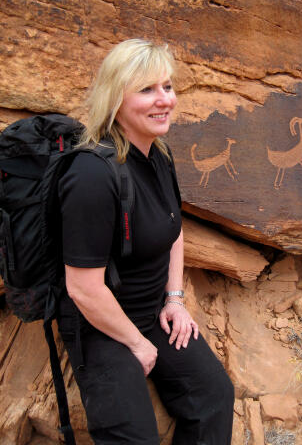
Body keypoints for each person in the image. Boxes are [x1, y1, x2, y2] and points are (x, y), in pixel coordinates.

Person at [57, 38, 234, 445]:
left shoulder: (160, 155)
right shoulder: (91, 175)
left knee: (214, 396)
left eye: (167, 87)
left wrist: (174, 300)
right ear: (115, 99)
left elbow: (174, 230)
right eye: (147, 89)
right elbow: (82, 288)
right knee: (136, 438)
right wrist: (137, 344)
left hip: (152, 313)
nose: (164, 100)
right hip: (101, 328)